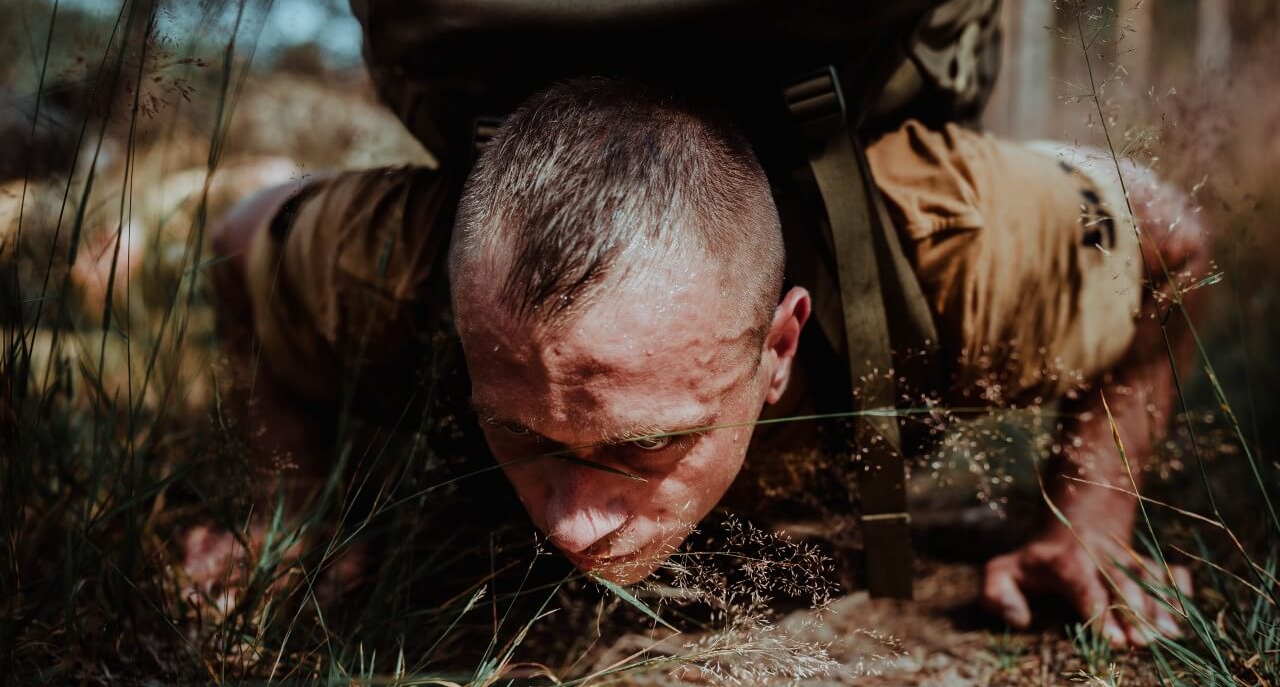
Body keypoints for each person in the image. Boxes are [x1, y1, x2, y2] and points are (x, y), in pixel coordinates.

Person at [206, 77, 1207, 648]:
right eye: (517, 433)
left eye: (641, 448)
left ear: (778, 346)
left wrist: (1092, 518)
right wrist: (287, 514)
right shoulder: (387, 269)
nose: (572, 524)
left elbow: (1174, 243)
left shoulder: (957, 251)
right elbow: (242, 237)